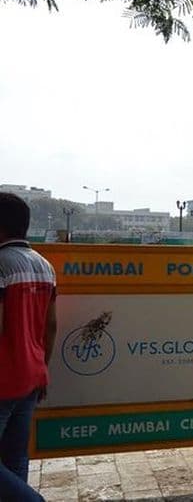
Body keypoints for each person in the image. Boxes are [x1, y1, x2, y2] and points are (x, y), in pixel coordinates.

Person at [0, 193, 57, 502]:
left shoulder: (1, 264)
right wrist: (43, 369)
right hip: (33, 375)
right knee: (16, 457)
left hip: (4, 378)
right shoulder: (44, 265)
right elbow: (51, 326)